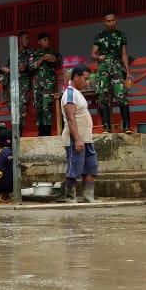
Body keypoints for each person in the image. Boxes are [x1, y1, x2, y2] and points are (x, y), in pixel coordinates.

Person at [59, 64, 97, 203]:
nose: (86, 82)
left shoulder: (78, 93)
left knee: (90, 167)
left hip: (86, 138)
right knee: (74, 167)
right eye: (85, 79)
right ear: (76, 77)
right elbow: (70, 118)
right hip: (75, 138)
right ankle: (70, 198)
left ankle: (88, 197)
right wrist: (77, 139)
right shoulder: (69, 93)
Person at [91, 12, 131, 133]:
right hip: (103, 67)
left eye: (113, 20)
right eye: (108, 21)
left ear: (116, 20)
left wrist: (128, 72)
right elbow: (93, 54)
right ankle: (106, 127)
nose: (111, 23)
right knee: (102, 96)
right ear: (104, 22)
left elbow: (124, 54)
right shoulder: (99, 36)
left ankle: (127, 126)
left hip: (117, 66)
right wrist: (98, 58)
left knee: (121, 95)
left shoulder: (121, 35)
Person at [31, 32, 61, 136]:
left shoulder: (54, 52)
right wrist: (42, 58)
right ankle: (40, 131)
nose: (47, 42)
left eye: (48, 40)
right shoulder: (34, 53)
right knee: (38, 108)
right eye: (44, 40)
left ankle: (47, 132)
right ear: (39, 42)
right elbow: (31, 67)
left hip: (48, 85)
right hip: (37, 85)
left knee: (47, 107)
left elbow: (60, 64)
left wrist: (54, 59)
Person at [9, 31, 36, 131]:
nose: (27, 41)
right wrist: (16, 67)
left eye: (28, 38)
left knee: (22, 112)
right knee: (14, 111)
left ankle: (19, 134)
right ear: (19, 39)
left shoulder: (30, 53)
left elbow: (33, 67)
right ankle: (14, 135)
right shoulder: (13, 53)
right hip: (13, 86)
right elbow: (7, 68)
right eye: (26, 38)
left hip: (24, 85)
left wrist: (26, 67)